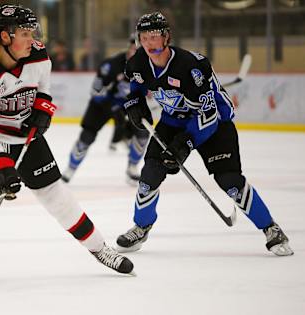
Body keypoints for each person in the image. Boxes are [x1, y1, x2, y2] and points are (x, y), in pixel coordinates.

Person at [0, 4, 134, 282]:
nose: (32, 39)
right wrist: (0, 165)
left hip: (21, 132)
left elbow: (42, 86)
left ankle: (100, 248)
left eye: (33, 31)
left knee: (55, 194)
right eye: (24, 33)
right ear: (5, 37)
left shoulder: (37, 54)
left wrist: (43, 108)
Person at [115, 12, 293, 257]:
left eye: (154, 36)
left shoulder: (191, 66)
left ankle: (271, 229)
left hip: (215, 123)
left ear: (166, 37)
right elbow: (136, 87)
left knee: (230, 182)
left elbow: (209, 115)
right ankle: (141, 226)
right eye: (144, 37)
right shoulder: (137, 63)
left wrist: (184, 144)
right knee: (149, 175)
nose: (148, 43)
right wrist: (134, 104)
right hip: (173, 121)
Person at [62, 37, 148, 184]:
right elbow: (95, 91)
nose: (138, 53)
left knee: (143, 132)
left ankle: (132, 167)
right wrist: (113, 109)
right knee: (87, 136)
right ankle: (70, 169)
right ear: (129, 48)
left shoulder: (147, 67)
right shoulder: (111, 65)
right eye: (135, 49)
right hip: (102, 105)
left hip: (127, 104)